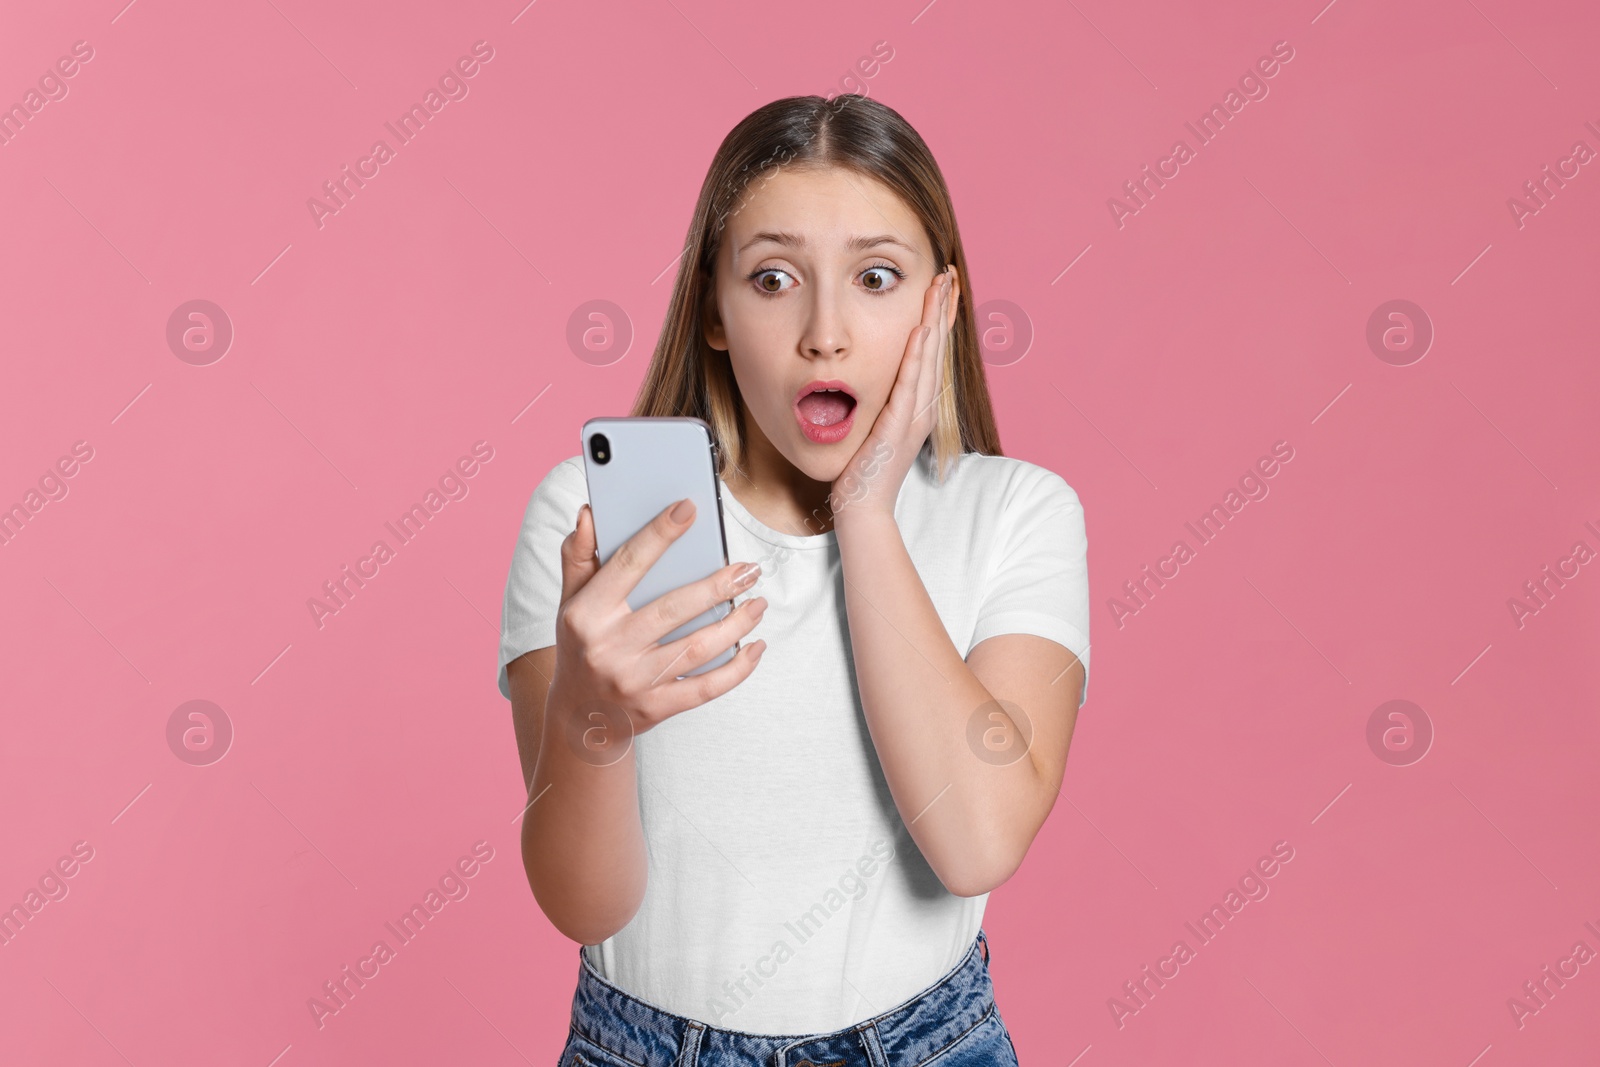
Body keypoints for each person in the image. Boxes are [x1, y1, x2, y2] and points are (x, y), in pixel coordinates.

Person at [498, 93, 1090, 1066]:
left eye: (875, 277)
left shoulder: (1016, 513)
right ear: (714, 308)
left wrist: (865, 509)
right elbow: (582, 902)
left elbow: (977, 842)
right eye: (772, 277)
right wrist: (587, 716)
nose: (825, 332)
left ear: (940, 303)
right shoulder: (594, 518)